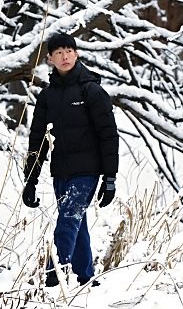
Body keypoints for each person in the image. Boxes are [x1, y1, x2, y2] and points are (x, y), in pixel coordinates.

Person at [22, 32, 119, 288]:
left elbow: (109, 135)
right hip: (61, 172)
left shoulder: (92, 91)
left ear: (76, 54)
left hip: (87, 171)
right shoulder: (46, 97)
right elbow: (38, 141)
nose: (65, 56)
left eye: (69, 51)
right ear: (50, 59)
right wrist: (30, 181)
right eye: (59, 53)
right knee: (77, 222)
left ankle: (52, 274)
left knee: (68, 219)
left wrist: (110, 177)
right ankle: (87, 279)